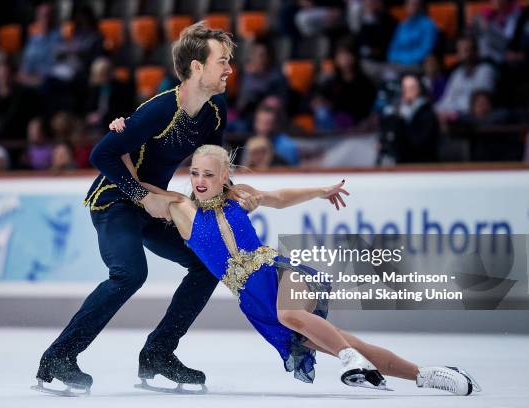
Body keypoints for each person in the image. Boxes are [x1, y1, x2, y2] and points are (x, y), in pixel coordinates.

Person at [132, 144, 481, 395]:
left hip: (279, 272)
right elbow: (131, 185)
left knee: (292, 315)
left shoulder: (240, 194)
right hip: (255, 301)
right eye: (195, 173)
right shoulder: (179, 208)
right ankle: (429, 375)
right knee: (347, 340)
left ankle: (350, 360)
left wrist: (320, 191)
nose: (200, 180)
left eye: (209, 173)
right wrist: (118, 142)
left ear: (225, 175)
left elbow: (280, 197)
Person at [33, 21, 258, 395]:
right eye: (223, 60)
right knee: (129, 274)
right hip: (115, 200)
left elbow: (213, 164)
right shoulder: (159, 110)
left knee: (205, 265)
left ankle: (158, 353)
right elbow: (101, 153)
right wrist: (141, 196)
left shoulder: (215, 109)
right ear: (197, 67)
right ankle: (58, 357)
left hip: (154, 206)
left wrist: (233, 194)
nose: (230, 68)